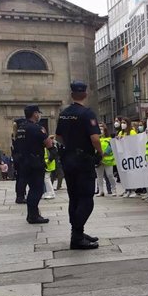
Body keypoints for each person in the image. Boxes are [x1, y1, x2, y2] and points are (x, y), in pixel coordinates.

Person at [56, 81, 102, 250]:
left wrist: (70, 145)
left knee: (74, 197)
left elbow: (59, 136)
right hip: (83, 160)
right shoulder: (87, 113)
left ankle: (78, 231)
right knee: (86, 198)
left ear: (71, 94)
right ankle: (76, 236)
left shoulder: (64, 113)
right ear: (85, 94)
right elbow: (95, 138)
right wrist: (100, 153)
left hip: (68, 159)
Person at [14, 105, 53, 223]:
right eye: (38, 113)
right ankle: (33, 215)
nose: (39, 115)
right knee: (37, 189)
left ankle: (33, 213)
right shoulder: (36, 128)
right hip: (35, 162)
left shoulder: (21, 128)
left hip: (23, 162)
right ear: (34, 114)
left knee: (32, 189)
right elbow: (48, 143)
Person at [117, 116, 138, 198]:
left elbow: (134, 142)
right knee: (125, 174)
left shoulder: (132, 132)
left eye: (124, 123)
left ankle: (133, 190)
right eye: (121, 123)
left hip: (131, 156)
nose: (122, 124)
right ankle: (127, 190)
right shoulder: (120, 133)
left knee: (131, 174)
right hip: (123, 156)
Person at [96, 125, 117, 197]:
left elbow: (110, 148)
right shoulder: (95, 139)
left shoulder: (109, 139)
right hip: (98, 160)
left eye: (101, 129)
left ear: (105, 130)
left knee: (110, 175)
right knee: (99, 176)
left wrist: (104, 154)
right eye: (99, 129)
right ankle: (101, 191)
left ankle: (114, 189)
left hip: (108, 160)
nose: (100, 131)